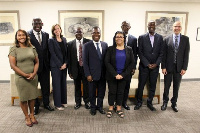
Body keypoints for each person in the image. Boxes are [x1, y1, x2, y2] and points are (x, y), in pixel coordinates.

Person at [8, 29, 39, 127]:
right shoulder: (13, 49)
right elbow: (13, 65)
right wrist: (25, 75)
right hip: (21, 78)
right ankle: (27, 117)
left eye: (23, 35)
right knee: (23, 98)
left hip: (33, 77)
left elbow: (37, 62)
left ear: (26, 36)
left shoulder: (31, 47)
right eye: (19, 35)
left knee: (32, 97)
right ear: (16, 37)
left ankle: (32, 115)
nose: (21, 37)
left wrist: (33, 73)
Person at [134, 20, 163, 111]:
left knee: (152, 85)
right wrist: (147, 64)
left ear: (155, 26)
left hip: (155, 67)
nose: (151, 26)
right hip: (144, 66)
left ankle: (150, 102)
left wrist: (156, 63)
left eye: (153, 25)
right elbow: (140, 52)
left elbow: (161, 53)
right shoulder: (142, 37)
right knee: (141, 85)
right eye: (150, 25)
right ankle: (139, 102)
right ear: (147, 26)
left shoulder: (160, 38)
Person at [161, 21, 190, 112]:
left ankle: (174, 103)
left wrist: (184, 68)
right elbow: (164, 54)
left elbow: (186, 55)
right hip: (168, 67)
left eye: (178, 26)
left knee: (176, 86)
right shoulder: (166, 39)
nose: (177, 28)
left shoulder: (185, 39)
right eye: (175, 26)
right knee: (166, 86)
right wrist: (163, 67)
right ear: (172, 27)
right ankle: (165, 102)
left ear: (181, 28)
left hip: (179, 68)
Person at [27, 18, 54, 115]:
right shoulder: (27, 35)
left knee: (45, 87)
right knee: (34, 87)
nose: (37, 25)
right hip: (33, 66)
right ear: (32, 24)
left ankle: (46, 104)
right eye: (35, 23)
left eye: (39, 23)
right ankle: (36, 106)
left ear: (42, 24)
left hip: (45, 66)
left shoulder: (46, 35)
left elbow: (47, 50)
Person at [105, 31, 134, 118]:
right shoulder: (110, 49)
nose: (119, 38)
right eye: (117, 37)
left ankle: (118, 108)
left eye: (121, 37)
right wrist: (115, 74)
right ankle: (110, 108)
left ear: (124, 39)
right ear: (115, 38)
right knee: (112, 92)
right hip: (112, 75)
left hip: (123, 76)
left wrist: (123, 75)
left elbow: (132, 63)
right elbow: (107, 62)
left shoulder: (129, 49)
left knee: (121, 92)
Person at [83, 26, 108, 116]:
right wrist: (88, 74)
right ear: (91, 34)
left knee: (101, 92)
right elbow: (85, 62)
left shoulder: (105, 44)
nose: (96, 34)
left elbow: (106, 60)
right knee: (92, 93)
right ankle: (93, 108)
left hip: (103, 74)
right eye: (94, 33)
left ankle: (100, 107)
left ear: (100, 34)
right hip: (92, 75)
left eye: (98, 33)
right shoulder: (87, 45)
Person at [116, 21, 138, 110]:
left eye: (126, 25)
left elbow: (135, 54)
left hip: (128, 68)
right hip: (118, 67)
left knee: (126, 86)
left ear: (129, 27)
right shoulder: (117, 37)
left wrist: (133, 67)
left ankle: (124, 103)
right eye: (123, 25)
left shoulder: (134, 39)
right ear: (121, 27)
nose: (125, 27)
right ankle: (117, 103)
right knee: (117, 87)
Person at [67, 27, 91, 110]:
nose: (78, 34)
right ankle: (78, 102)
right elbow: (69, 59)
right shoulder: (70, 44)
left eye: (80, 32)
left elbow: (90, 57)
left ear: (83, 33)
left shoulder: (88, 42)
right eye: (77, 32)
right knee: (77, 86)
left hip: (85, 68)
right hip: (75, 68)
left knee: (86, 86)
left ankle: (87, 102)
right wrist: (69, 71)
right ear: (75, 34)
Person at [48, 24, 68, 111]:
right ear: (53, 31)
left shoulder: (64, 39)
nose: (57, 30)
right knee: (56, 85)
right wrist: (60, 65)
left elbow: (67, 53)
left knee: (63, 84)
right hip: (56, 66)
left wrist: (65, 63)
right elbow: (52, 54)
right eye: (55, 29)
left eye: (58, 29)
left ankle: (63, 101)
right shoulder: (51, 40)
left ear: (60, 30)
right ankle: (57, 104)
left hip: (64, 66)